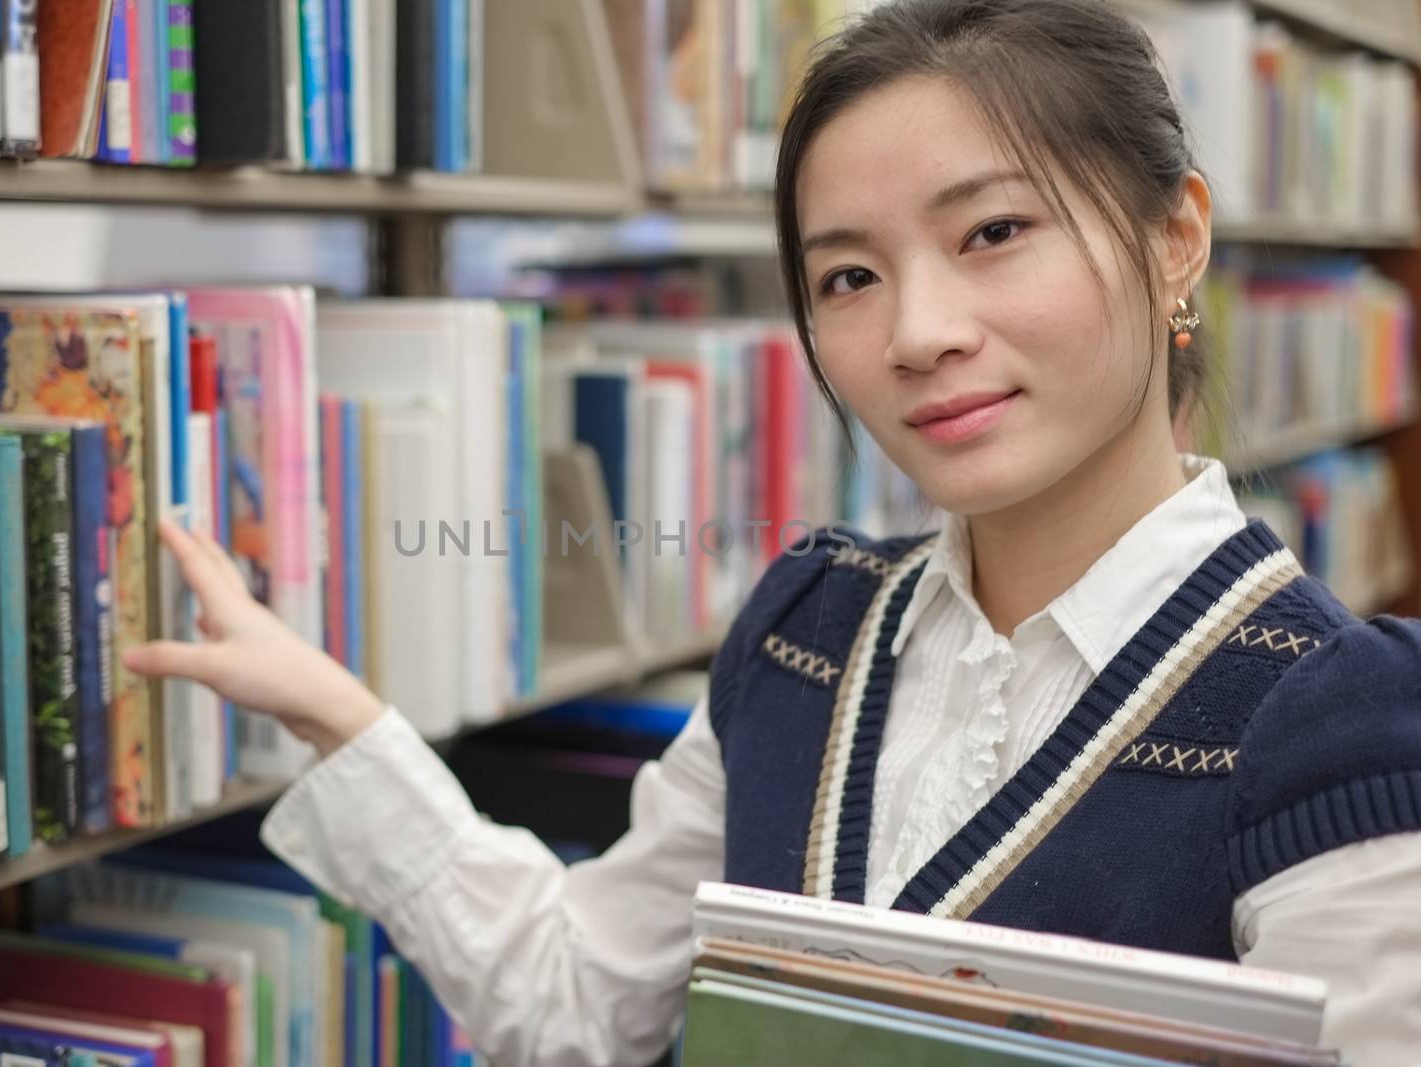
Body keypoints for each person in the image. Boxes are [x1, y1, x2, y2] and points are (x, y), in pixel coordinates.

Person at [123, 0, 1421, 1062]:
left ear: (1175, 236)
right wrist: (342, 723)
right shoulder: (802, 638)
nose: (918, 332)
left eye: (994, 232)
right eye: (848, 276)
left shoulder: (1339, 727)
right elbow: (581, 1003)